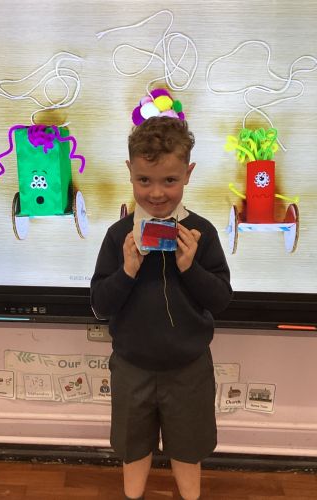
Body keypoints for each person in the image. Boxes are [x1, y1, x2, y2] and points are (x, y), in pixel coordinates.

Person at [90, 116, 232, 500]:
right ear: (129, 172)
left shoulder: (202, 233)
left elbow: (220, 299)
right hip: (131, 367)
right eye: (144, 180)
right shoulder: (118, 236)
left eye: (169, 180)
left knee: (188, 450)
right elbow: (100, 305)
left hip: (189, 369)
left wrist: (190, 267)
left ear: (188, 173)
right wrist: (127, 271)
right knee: (133, 449)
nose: (156, 193)